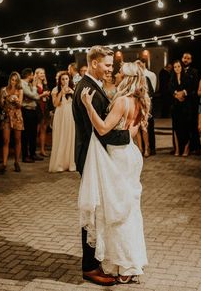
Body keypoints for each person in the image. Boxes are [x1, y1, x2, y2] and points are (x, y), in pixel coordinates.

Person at [79, 61, 150, 284]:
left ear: (127, 77)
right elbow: (132, 132)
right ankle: (129, 263)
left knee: (116, 211)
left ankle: (123, 264)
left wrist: (88, 105)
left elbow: (101, 128)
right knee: (128, 210)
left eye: (120, 72)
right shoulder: (139, 102)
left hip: (117, 158)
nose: (116, 74)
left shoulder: (122, 101)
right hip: (130, 154)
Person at [73, 46, 133, 286]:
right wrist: (128, 135)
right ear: (94, 63)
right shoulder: (87, 89)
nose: (111, 69)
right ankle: (89, 266)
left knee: (96, 208)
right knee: (92, 208)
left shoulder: (91, 85)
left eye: (111, 65)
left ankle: (94, 259)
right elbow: (101, 132)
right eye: (107, 65)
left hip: (93, 155)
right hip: (90, 156)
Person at [21, 68, 50, 163]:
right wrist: (35, 89)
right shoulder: (23, 84)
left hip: (33, 110)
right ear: (29, 75)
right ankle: (25, 155)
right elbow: (33, 95)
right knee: (26, 134)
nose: (33, 76)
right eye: (32, 74)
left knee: (33, 133)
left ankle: (33, 154)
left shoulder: (29, 84)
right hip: (27, 110)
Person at [49, 71, 76, 172]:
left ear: (69, 79)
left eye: (66, 79)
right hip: (60, 115)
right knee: (60, 137)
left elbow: (78, 103)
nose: (65, 81)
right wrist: (61, 93)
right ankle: (59, 164)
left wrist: (72, 92)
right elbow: (55, 104)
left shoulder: (73, 89)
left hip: (70, 115)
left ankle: (71, 164)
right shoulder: (55, 90)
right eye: (63, 79)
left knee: (70, 137)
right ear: (60, 81)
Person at [0, 72, 24, 172]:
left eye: (15, 80)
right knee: (6, 140)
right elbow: (1, 105)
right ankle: (4, 164)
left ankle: (17, 162)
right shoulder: (3, 90)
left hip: (17, 116)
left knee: (17, 139)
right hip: (6, 116)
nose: (13, 82)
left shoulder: (20, 90)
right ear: (9, 79)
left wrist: (16, 100)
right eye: (12, 79)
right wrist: (4, 99)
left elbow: (20, 105)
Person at [170, 60, 191, 156]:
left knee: (186, 127)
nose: (177, 68)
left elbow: (190, 88)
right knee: (176, 128)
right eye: (175, 67)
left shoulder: (186, 77)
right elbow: (169, 90)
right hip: (175, 107)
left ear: (181, 67)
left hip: (185, 106)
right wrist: (175, 95)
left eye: (178, 66)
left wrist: (183, 93)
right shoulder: (172, 78)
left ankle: (186, 149)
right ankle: (177, 149)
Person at [182, 52, 201, 155]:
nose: (186, 60)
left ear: (191, 60)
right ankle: (182, 147)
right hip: (181, 105)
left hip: (192, 104)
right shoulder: (178, 71)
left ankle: (196, 147)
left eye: (188, 58)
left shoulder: (194, 72)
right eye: (184, 58)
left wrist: (185, 93)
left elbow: (195, 87)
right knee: (183, 127)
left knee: (193, 126)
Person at [34, 68, 50, 157]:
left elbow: (47, 97)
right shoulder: (34, 85)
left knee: (43, 130)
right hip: (37, 108)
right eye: (40, 73)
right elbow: (34, 97)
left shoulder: (45, 85)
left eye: (43, 73)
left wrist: (47, 96)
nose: (42, 74)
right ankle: (32, 150)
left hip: (45, 108)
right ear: (36, 74)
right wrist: (43, 95)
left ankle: (42, 150)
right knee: (36, 130)